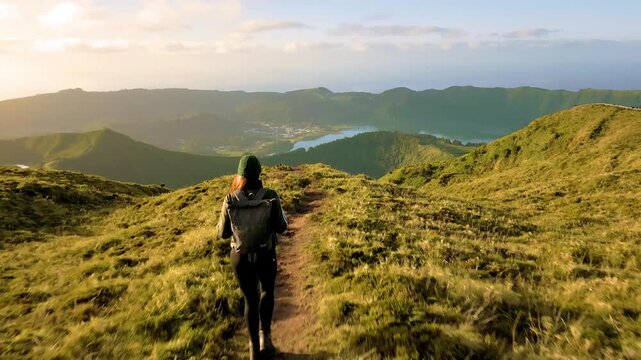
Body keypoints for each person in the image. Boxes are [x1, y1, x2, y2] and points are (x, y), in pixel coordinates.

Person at [216, 155, 288, 359]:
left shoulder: (230, 198)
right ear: (259, 173)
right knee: (267, 291)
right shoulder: (270, 195)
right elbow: (281, 227)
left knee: (250, 299)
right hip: (266, 254)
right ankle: (266, 338)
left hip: (240, 256)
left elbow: (222, 233)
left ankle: (253, 349)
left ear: (240, 175)